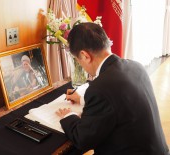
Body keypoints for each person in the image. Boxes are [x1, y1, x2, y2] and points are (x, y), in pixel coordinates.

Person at [56, 22, 170, 155]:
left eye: (78, 60)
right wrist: (82, 100)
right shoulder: (136, 66)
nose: (81, 65)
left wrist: (68, 116)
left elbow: (82, 140)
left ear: (85, 56)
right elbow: (119, 102)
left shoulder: (100, 88)